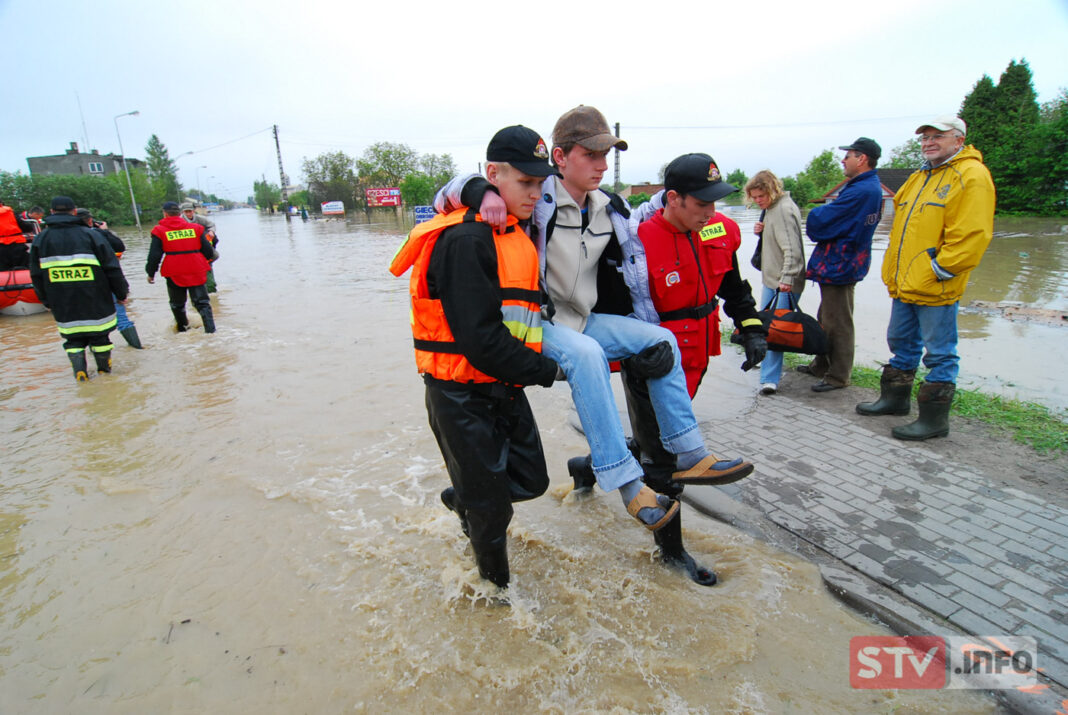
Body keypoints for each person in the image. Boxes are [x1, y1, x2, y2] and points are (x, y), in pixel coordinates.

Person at [437, 107, 751, 585]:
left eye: (607, 155)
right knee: (586, 356)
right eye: (591, 154)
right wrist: (479, 190)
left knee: (659, 339)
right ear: (560, 158)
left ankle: (690, 453)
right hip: (541, 324)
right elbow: (457, 190)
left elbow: (663, 208)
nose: (602, 164)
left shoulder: (612, 207)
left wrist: (746, 318)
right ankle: (626, 484)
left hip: (586, 319)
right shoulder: (534, 199)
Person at [389, 125, 559, 590]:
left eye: (540, 183)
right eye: (525, 182)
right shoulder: (466, 239)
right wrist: (548, 370)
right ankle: (496, 596)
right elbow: (480, 340)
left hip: (503, 384)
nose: (535, 193)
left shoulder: (514, 229)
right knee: (493, 512)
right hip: (460, 394)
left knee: (533, 481)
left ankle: (465, 497)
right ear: (493, 175)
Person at [857, 115, 995, 440]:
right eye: (925, 137)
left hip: (936, 284)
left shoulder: (971, 175)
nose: (929, 142)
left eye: (937, 136)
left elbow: (972, 234)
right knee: (901, 344)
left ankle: (934, 420)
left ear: (959, 140)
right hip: (905, 282)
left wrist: (939, 270)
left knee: (940, 353)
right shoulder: (919, 177)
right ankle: (895, 400)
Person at [799, 137, 883, 392]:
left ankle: (838, 375)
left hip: (841, 263)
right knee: (826, 316)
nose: (843, 160)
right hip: (844, 262)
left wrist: (815, 214)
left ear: (862, 159)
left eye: (848, 156)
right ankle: (821, 365)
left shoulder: (861, 191)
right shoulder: (865, 187)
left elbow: (823, 219)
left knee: (838, 321)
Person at [28, 196, 129, 381]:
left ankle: (80, 373)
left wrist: (45, 300)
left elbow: (35, 274)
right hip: (95, 297)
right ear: (74, 211)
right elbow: (112, 268)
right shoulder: (91, 235)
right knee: (100, 337)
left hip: (62, 300)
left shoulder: (41, 239)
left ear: (51, 212)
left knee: (73, 339)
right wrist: (121, 293)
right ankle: (104, 373)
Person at [745, 170, 806, 395]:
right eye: (754, 197)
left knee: (776, 330)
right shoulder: (772, 208)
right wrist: (761, 232)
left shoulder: (782, 210)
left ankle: (769, 379)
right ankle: (766, 362)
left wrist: (787, 278)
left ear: (772, 191)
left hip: (783, 282)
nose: (757, 200)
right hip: (773, 280)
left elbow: (792, 249)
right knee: (766, 326)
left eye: (761, 196)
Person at [76, 208, 143, 349]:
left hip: (80, 286)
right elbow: (119, 246)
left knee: (90, 322)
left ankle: (97, 352)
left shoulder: (62, 238)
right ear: (90, 221)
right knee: (122, 318)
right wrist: (105, 231)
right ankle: (138, 349)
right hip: (106, 282)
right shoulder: (97, 234)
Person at [146, 201, 217, 333]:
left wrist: (150, 273)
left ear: (165, 214)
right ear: (180, 214)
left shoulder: (159, 231)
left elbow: (154, 256)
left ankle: (183, 330)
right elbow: (208, 251)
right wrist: (204, 261)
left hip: (174, 271)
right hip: (196, 269)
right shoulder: (195, 228)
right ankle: (211, 332)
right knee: (202, 303)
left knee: (177, 304)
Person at [180, 201, 219, 293]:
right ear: (183, 212)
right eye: (186, 212)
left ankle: (211, 290)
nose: (188, 214)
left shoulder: (200, 219)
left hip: (204, 250)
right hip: (189, 251)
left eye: (190, 211)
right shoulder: (180, 221)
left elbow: (212, 225)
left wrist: (211, 231)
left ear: (193, 211)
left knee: (209, 276)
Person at [0, 201, 32, 270]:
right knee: (23, 268)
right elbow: (26, 227)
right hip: (17, 245)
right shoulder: (11, 213)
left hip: (1, 248)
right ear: (1, 204)